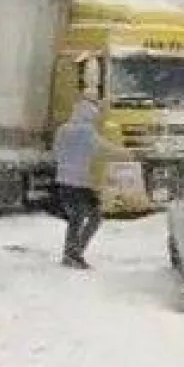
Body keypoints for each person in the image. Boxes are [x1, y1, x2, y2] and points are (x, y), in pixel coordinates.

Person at [51, 97, 127, 269]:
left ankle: (72, 253)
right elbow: (104, 149)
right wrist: (124, 153)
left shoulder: (62, 130)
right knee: (93, 217)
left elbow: (56, 153)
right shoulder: (87, 132)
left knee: (76, 217)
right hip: (80, 182)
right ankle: (73, 253)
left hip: (63, 182)